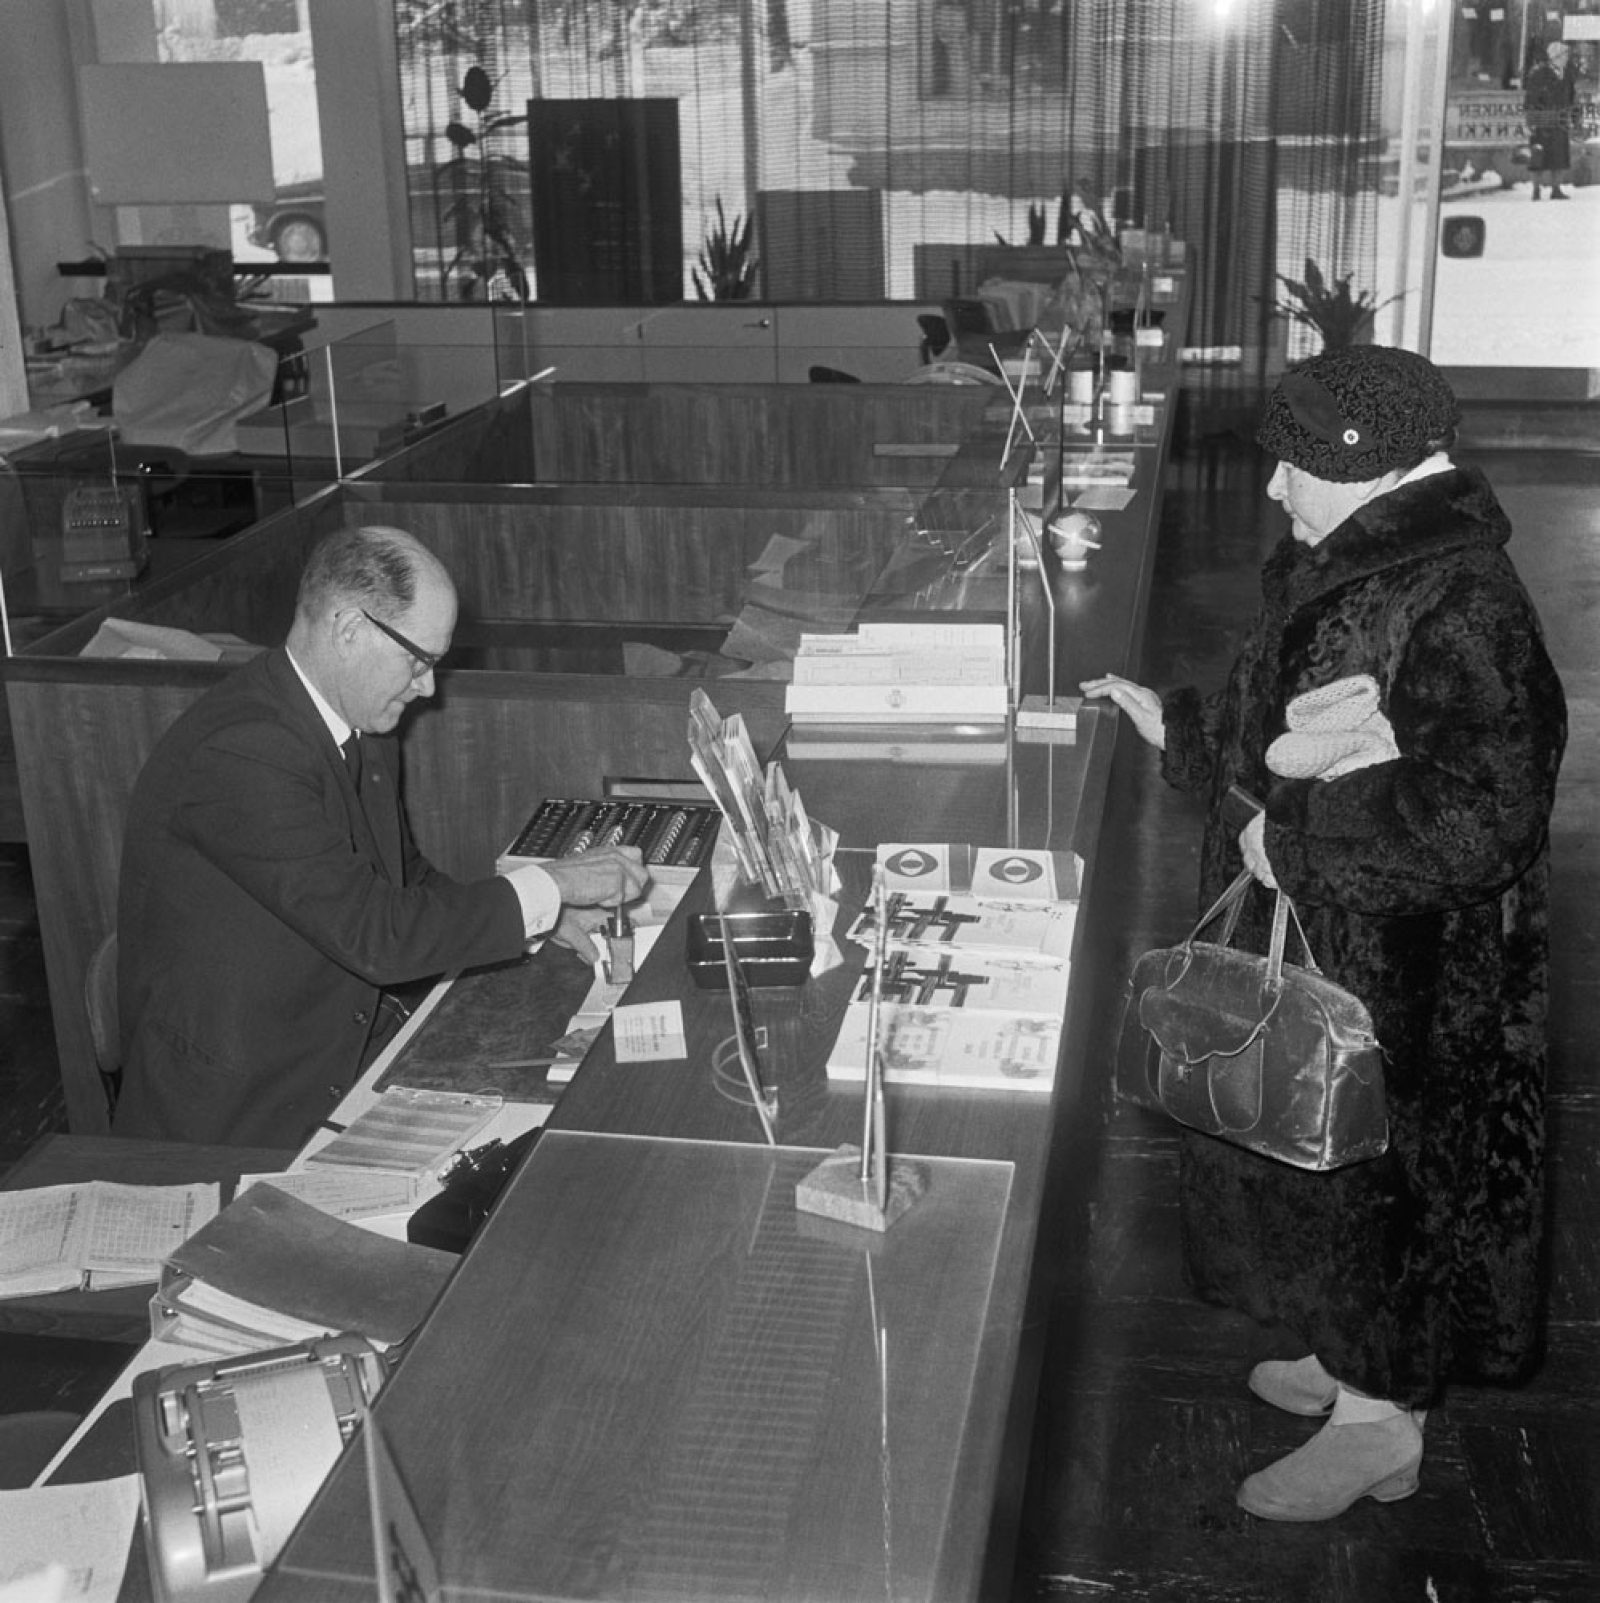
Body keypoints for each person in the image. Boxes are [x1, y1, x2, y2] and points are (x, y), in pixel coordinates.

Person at [1082, 345, 1566, 1521]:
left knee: (1388, 1183)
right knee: (1320, 1164)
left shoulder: (1462, 600)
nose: (1269, 488)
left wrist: (1294, 844)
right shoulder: (1362, 559)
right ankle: (1349, 1354)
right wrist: (1184, 730)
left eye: (1288, 463)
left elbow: (1482, 814)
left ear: (1358, 465)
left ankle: (1380, 1421)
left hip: (1409, 975)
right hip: (1336, 938)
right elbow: (1291, 713)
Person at [114, 525, 650, 1149]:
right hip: (237, 1115)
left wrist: (542, 914)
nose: (428, 686)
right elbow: (377, 935)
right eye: (418, 659)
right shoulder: (243, 753)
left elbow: (402, 878)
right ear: (348, 629)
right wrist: (548, 884)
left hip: (336, 1053)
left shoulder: (362, 724)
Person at [1523, 37, 1580, 200]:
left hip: (1560, 121)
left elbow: (1572, 97)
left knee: (1560, 156)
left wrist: (1575, 117)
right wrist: (1531, 120)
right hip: (1542, 120)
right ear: (1555, 56)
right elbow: (1531, 98)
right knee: (1538, 155)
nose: (1567, 59)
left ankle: (1556, 189)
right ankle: (1536, 190)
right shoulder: (1538, 73)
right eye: (1564, 55)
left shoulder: (1567, 74)